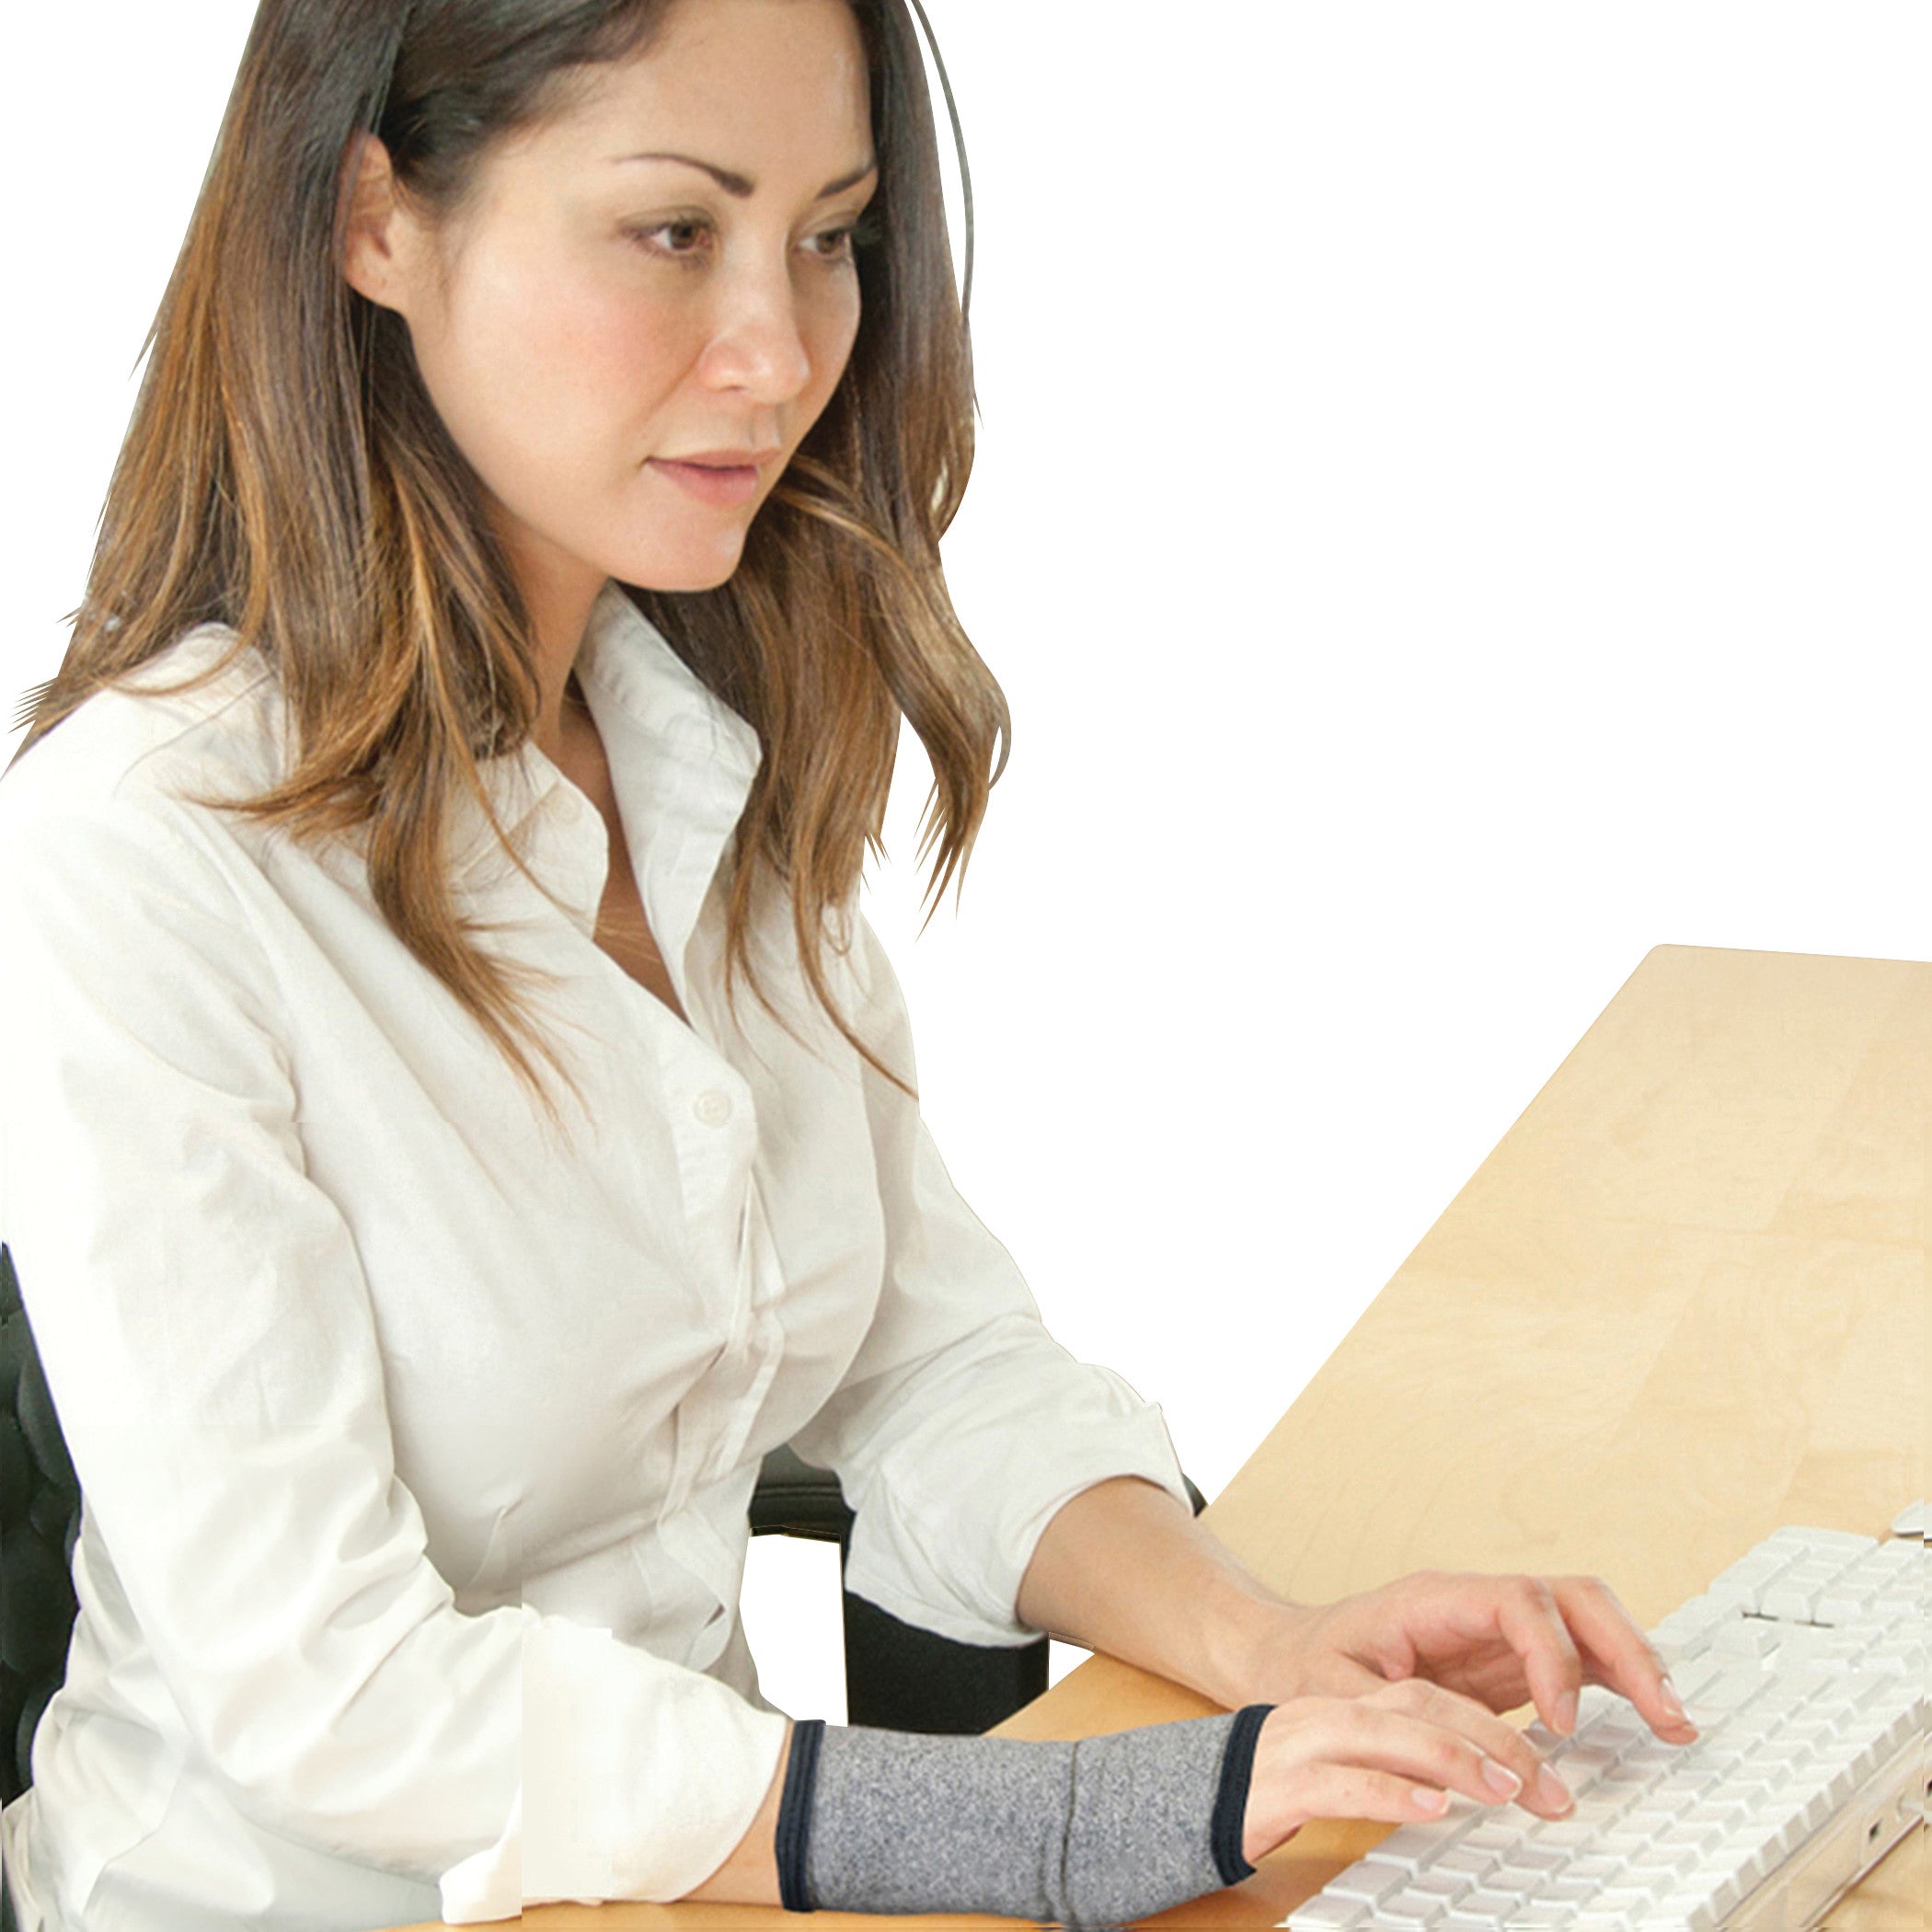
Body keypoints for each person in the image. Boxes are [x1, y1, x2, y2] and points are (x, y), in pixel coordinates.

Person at [0, 1, 1699, 1926]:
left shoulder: (686, 743)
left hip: (682, 1892)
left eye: (829, 235)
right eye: (674, 232)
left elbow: (925, 1360)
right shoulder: (142, 852)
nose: (783, 351)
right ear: (373, 219)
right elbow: (331, 1685)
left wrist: (1270, 1647)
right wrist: (1060, 1827)